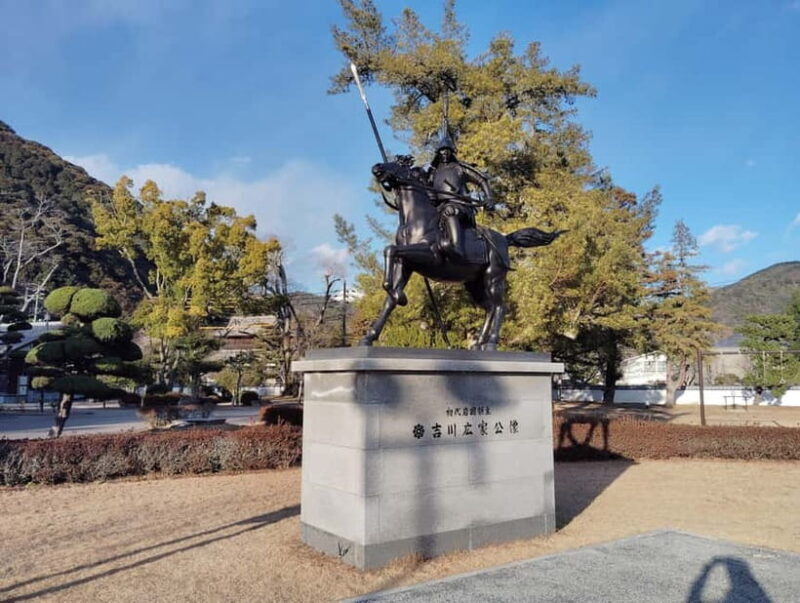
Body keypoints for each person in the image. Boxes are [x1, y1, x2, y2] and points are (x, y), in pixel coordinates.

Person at [427, 130, 495, 262]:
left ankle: (456, 247)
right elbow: (425, 187)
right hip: (439, 208)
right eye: (442, 150)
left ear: (452, 152)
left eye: (448, 150)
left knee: (450, 210)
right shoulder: (433, 173)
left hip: (460, 206)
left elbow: (481, 180)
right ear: (438, 153)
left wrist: (489, 198)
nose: (445, 153)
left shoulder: (459, 168)